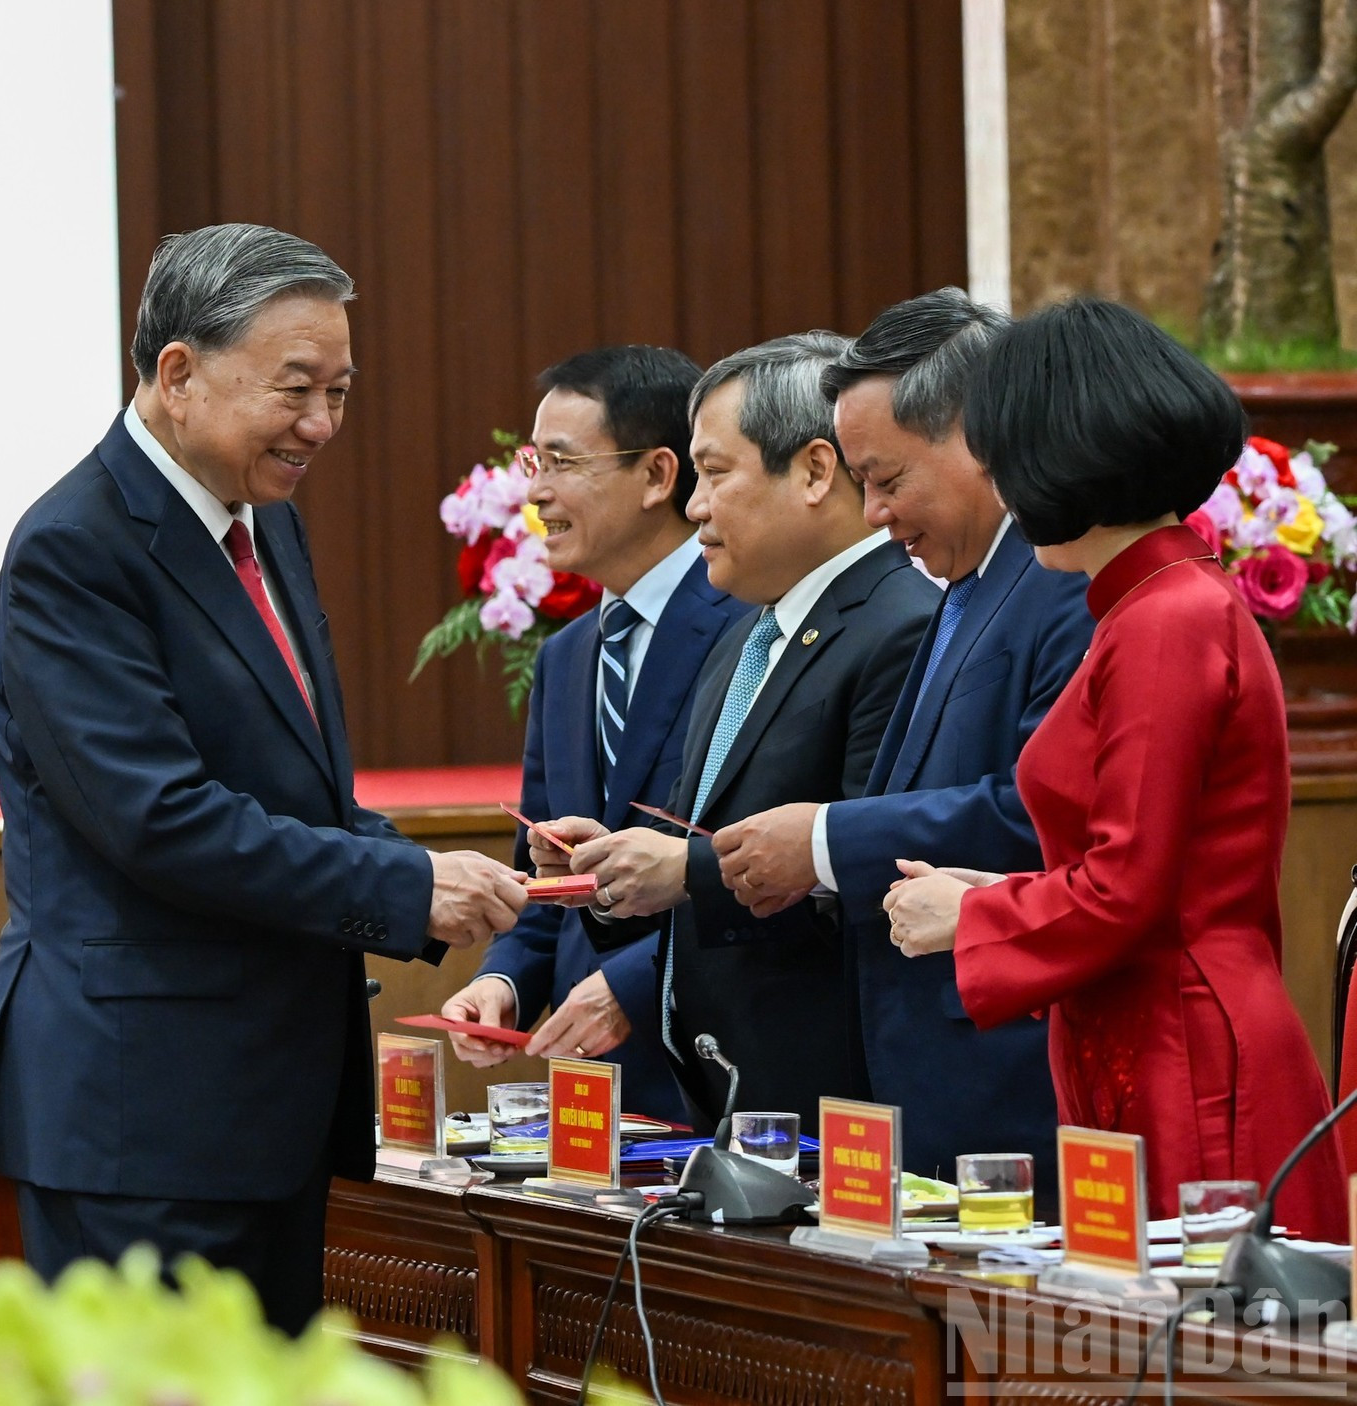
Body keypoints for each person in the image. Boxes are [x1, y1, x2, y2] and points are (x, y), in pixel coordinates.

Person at [0, 224, 527, 1334]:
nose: (320, 424)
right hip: (143, 1118)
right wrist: (404, 888)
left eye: (340, 391)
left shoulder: (265, 527)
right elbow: (159, 817)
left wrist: (417, 864)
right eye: (295, 389)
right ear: (177, 372)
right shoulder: (74, 550)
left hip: (261, 1109)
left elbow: (292, 791)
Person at [884, 298, 1347, 1240]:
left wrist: (976, 916)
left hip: (1189, 1055)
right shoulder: (1147, 606)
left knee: (1207, 1367)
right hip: (1145, 1034)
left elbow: (1131, 889)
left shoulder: (1166, 619)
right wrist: (1002, 889)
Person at [708, 290, 1091, 1187]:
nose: (873, 513)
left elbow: (1040, 814)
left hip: (1010, 1079)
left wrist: (828, 840)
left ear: (977, 439)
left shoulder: (1060, 585)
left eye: (887, 479)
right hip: (918, 1078)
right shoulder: (963, 579)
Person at [534, 333, 937, 1131]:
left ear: (817, 472)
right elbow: (696, 841)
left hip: (838, 1102)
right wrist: (610, 872)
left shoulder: (900, 626)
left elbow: (874, 878)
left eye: (716, 473)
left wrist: (688, 870)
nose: (695, 506)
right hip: (725, 1096)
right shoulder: (745, 636)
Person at [439, 346, 749, 1119]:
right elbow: (547, 881)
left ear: (657, 475)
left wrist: (638, 985)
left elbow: (766, 872)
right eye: (534, 465)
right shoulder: (567, 656)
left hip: (719, 1075)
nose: (536, 492)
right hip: (591, 1090)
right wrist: (504, 982)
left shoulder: (750, 630)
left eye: (561, 464)